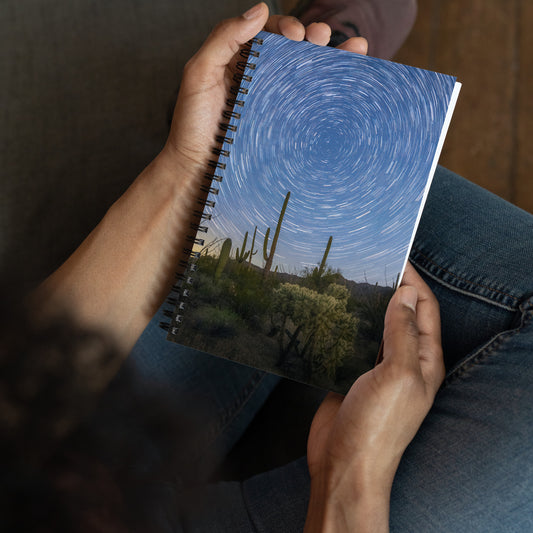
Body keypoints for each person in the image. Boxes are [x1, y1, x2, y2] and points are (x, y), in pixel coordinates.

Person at [2, 2, 532, 532]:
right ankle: (308, 88)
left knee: (249, 242)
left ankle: (266, 115)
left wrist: (185, 171)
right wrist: (349, 479)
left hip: (52, 478)